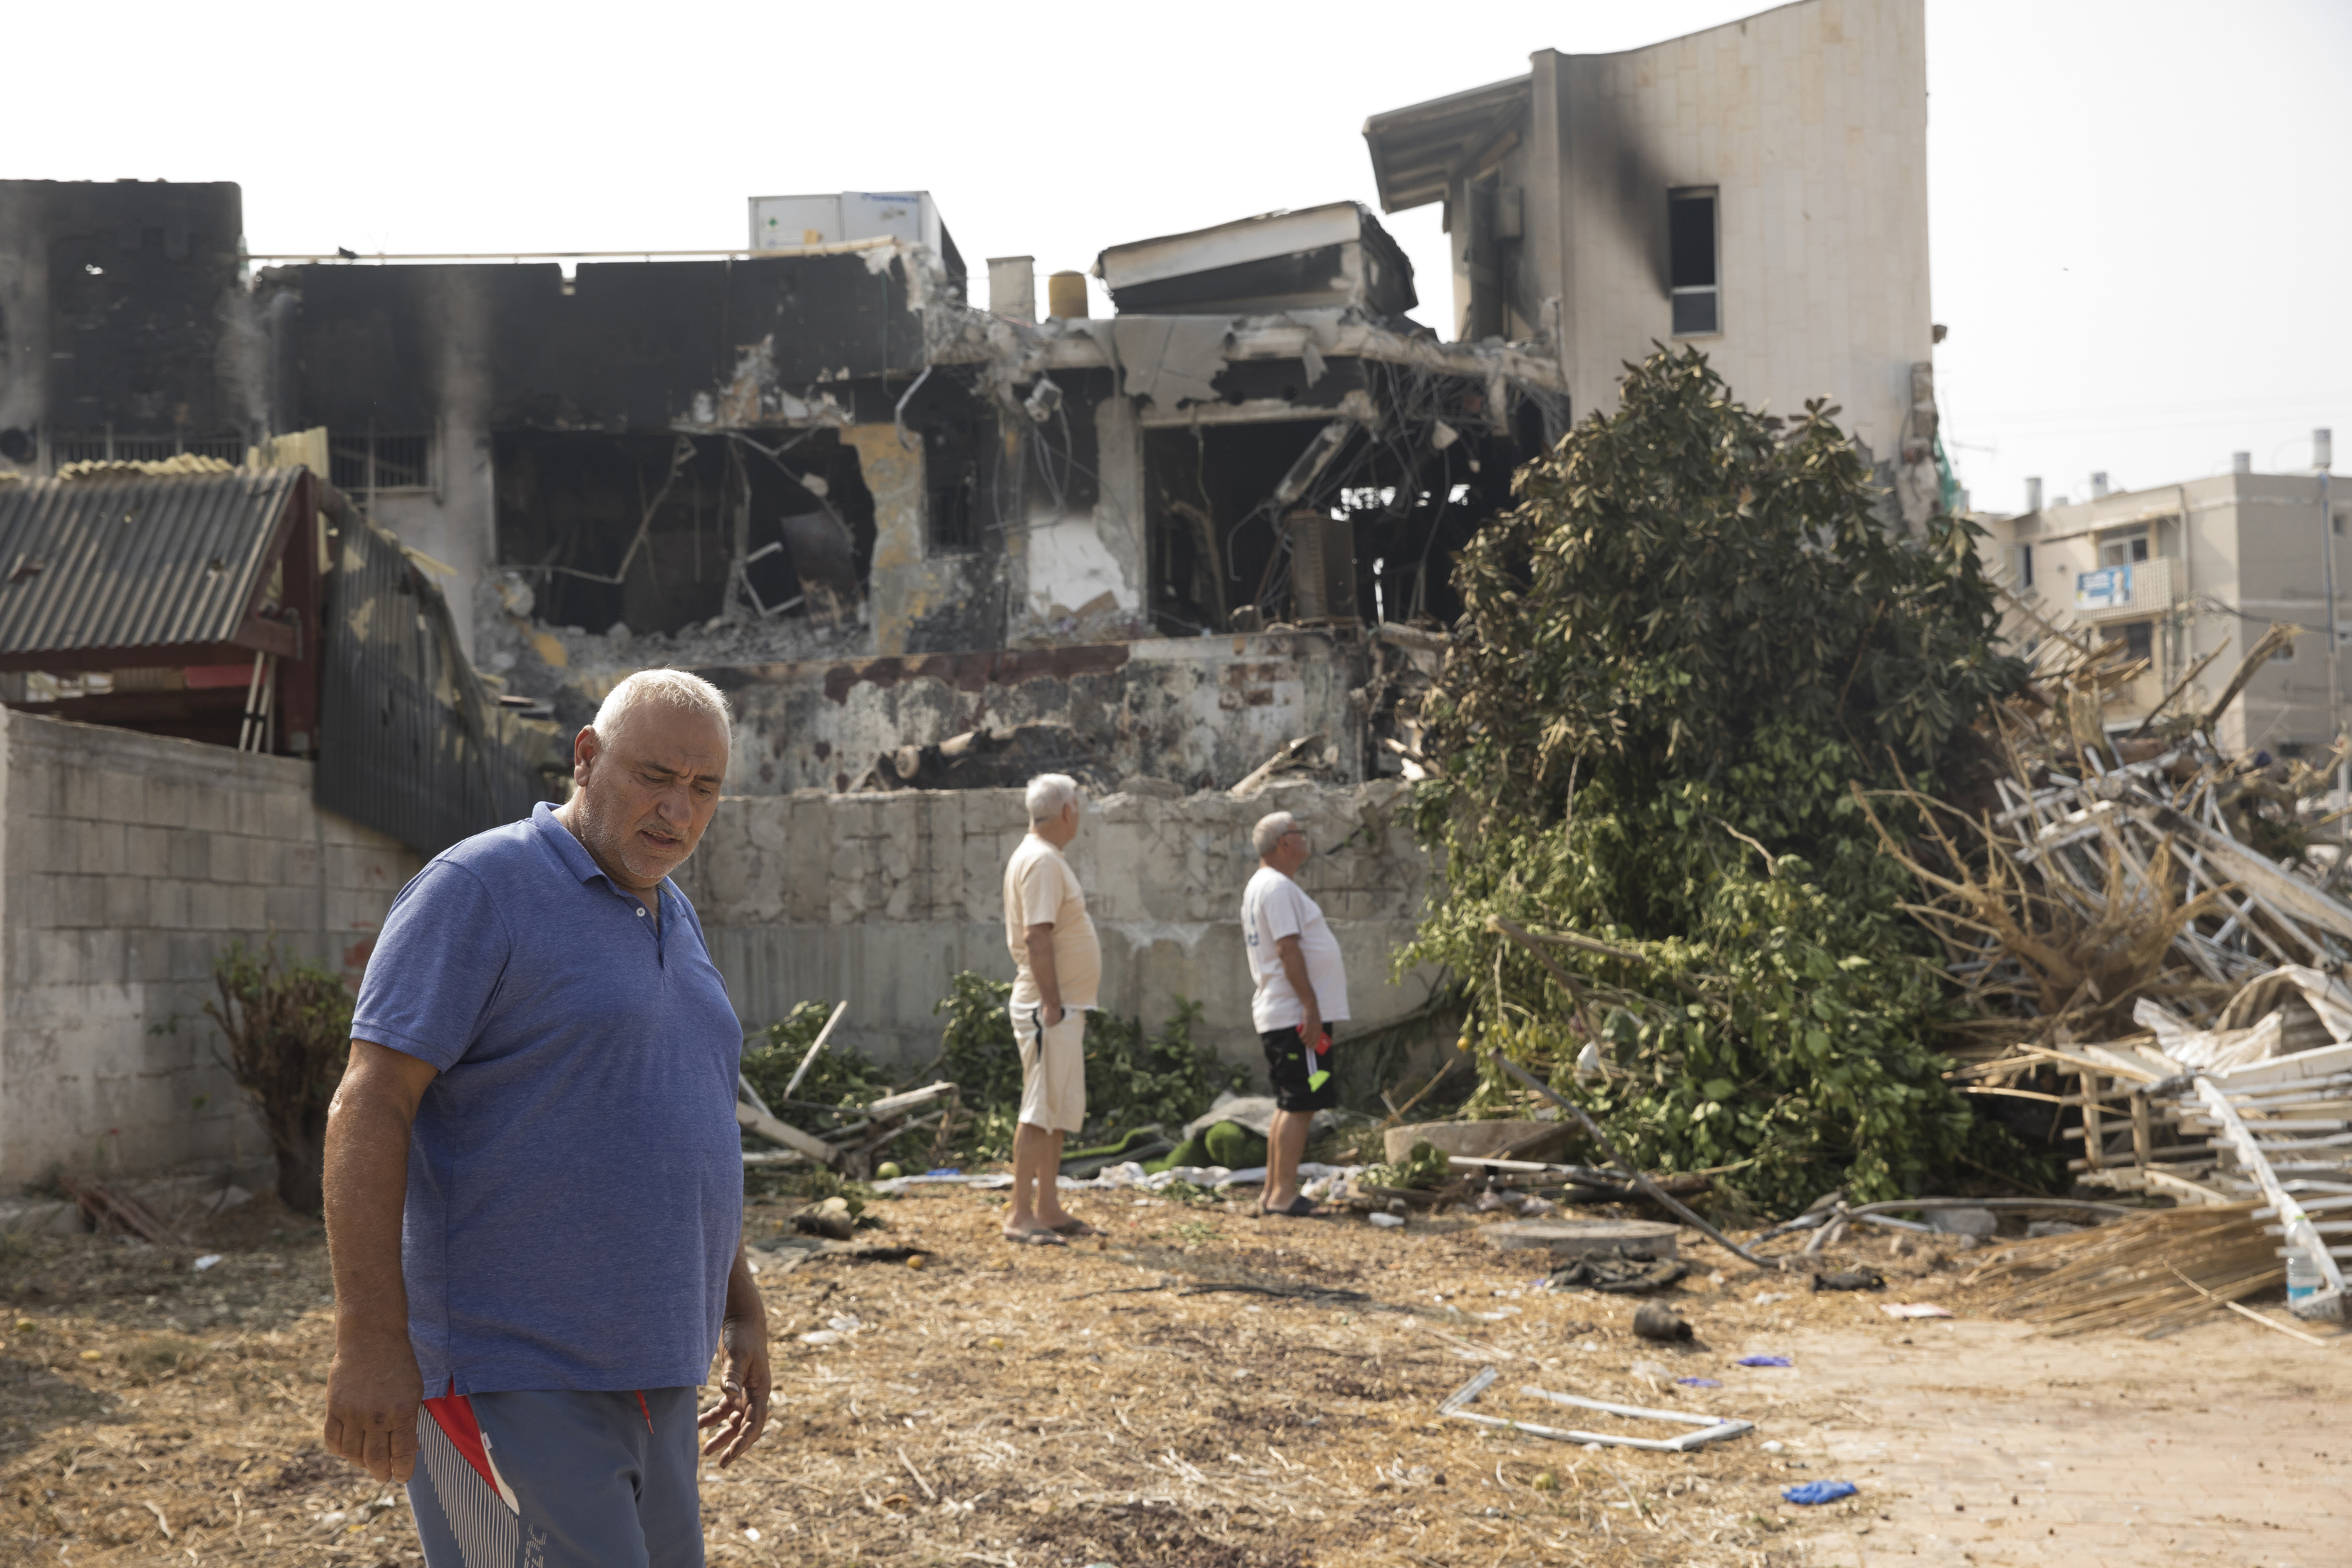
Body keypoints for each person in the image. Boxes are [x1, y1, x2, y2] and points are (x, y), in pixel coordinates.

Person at [321, 669, 768, 1568]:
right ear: (586, 759)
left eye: (703, 788)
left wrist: (741, 1304)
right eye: (653, 775)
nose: (677, 810)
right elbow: (368, 1104)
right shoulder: (481, 888)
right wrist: (368, 1338)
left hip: (655, 1367)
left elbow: (682, 1120)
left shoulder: (671, 915)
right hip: (510, 1374)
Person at [1001, 773, 1101, 1244]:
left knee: (1057, 1111)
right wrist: (1053, 1003)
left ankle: (1048, 1205)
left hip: (1060, 1007)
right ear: (1066, 812)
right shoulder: (1041, 860)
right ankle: (1020, 1214)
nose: (1078, 813)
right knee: (1039, 1109)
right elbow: (1036, 936)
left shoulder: (1044, 857)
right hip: (1049, 1009)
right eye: (1077, 805)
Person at [1242, 810, 1350, 1217]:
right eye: (1299, 833)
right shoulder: (1275, 888)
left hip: (1288, 1014)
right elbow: (1288, 949)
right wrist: (1311, 1007)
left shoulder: (1267, 886)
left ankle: (1273, 1192)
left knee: (1291, 1102)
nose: (1306, 838)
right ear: (1284, 843)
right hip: (1295, 1016)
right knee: (1300, 1102)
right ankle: (1284, 1194)